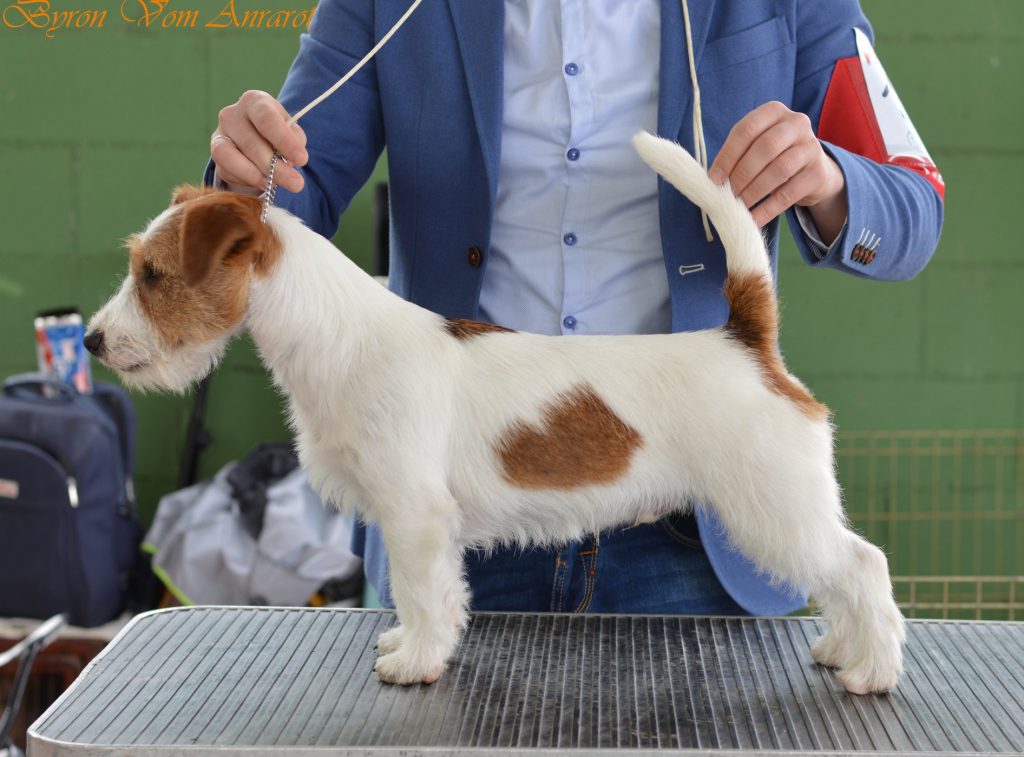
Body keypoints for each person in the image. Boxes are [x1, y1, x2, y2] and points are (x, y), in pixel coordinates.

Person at [206, 0, 944, 617]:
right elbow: (280, 188)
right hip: (461, 519)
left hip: (691, 541)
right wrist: (243, 169)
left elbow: (914, 208)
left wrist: (829, 179)